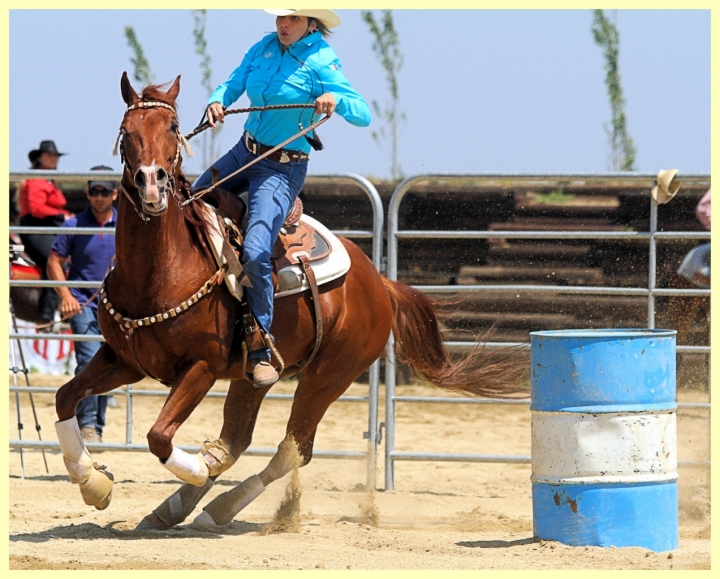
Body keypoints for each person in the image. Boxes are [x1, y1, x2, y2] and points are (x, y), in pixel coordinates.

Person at [193, 9, 370, 387]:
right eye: (279, 19)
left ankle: (260, 346)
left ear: (311, 22)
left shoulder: (322, 59)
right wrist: (216, 101)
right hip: (244, 152)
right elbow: (233, 82)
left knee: (256, 250)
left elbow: (363, 113)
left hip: (281, 167)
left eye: (291, 19)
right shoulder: (263, 47)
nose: (283, 25)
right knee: (188, 207)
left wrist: (334, 100)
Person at [47, 166, 118, 443]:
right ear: (88, 194)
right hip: (82, 303)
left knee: (109, 365)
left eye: (104, 191)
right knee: (89, 361)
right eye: (94, 191)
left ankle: (93, 425)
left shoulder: (125, 225)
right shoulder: (73, 225)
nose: (99, 197)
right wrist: (65, 297)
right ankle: (89, 426)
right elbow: (54, 261)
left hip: (115, 307)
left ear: (114, 194)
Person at [18, 140, 71, 321]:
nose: (54, 158)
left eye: (55, 156)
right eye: (49, 155)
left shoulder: (49, 180)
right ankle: (48, 314)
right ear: (40, 158)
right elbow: (36, 209)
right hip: (35, 228)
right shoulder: (37, 178)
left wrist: (66, 215)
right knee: (55, 261)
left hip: (47, 227)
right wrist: (62, 216)